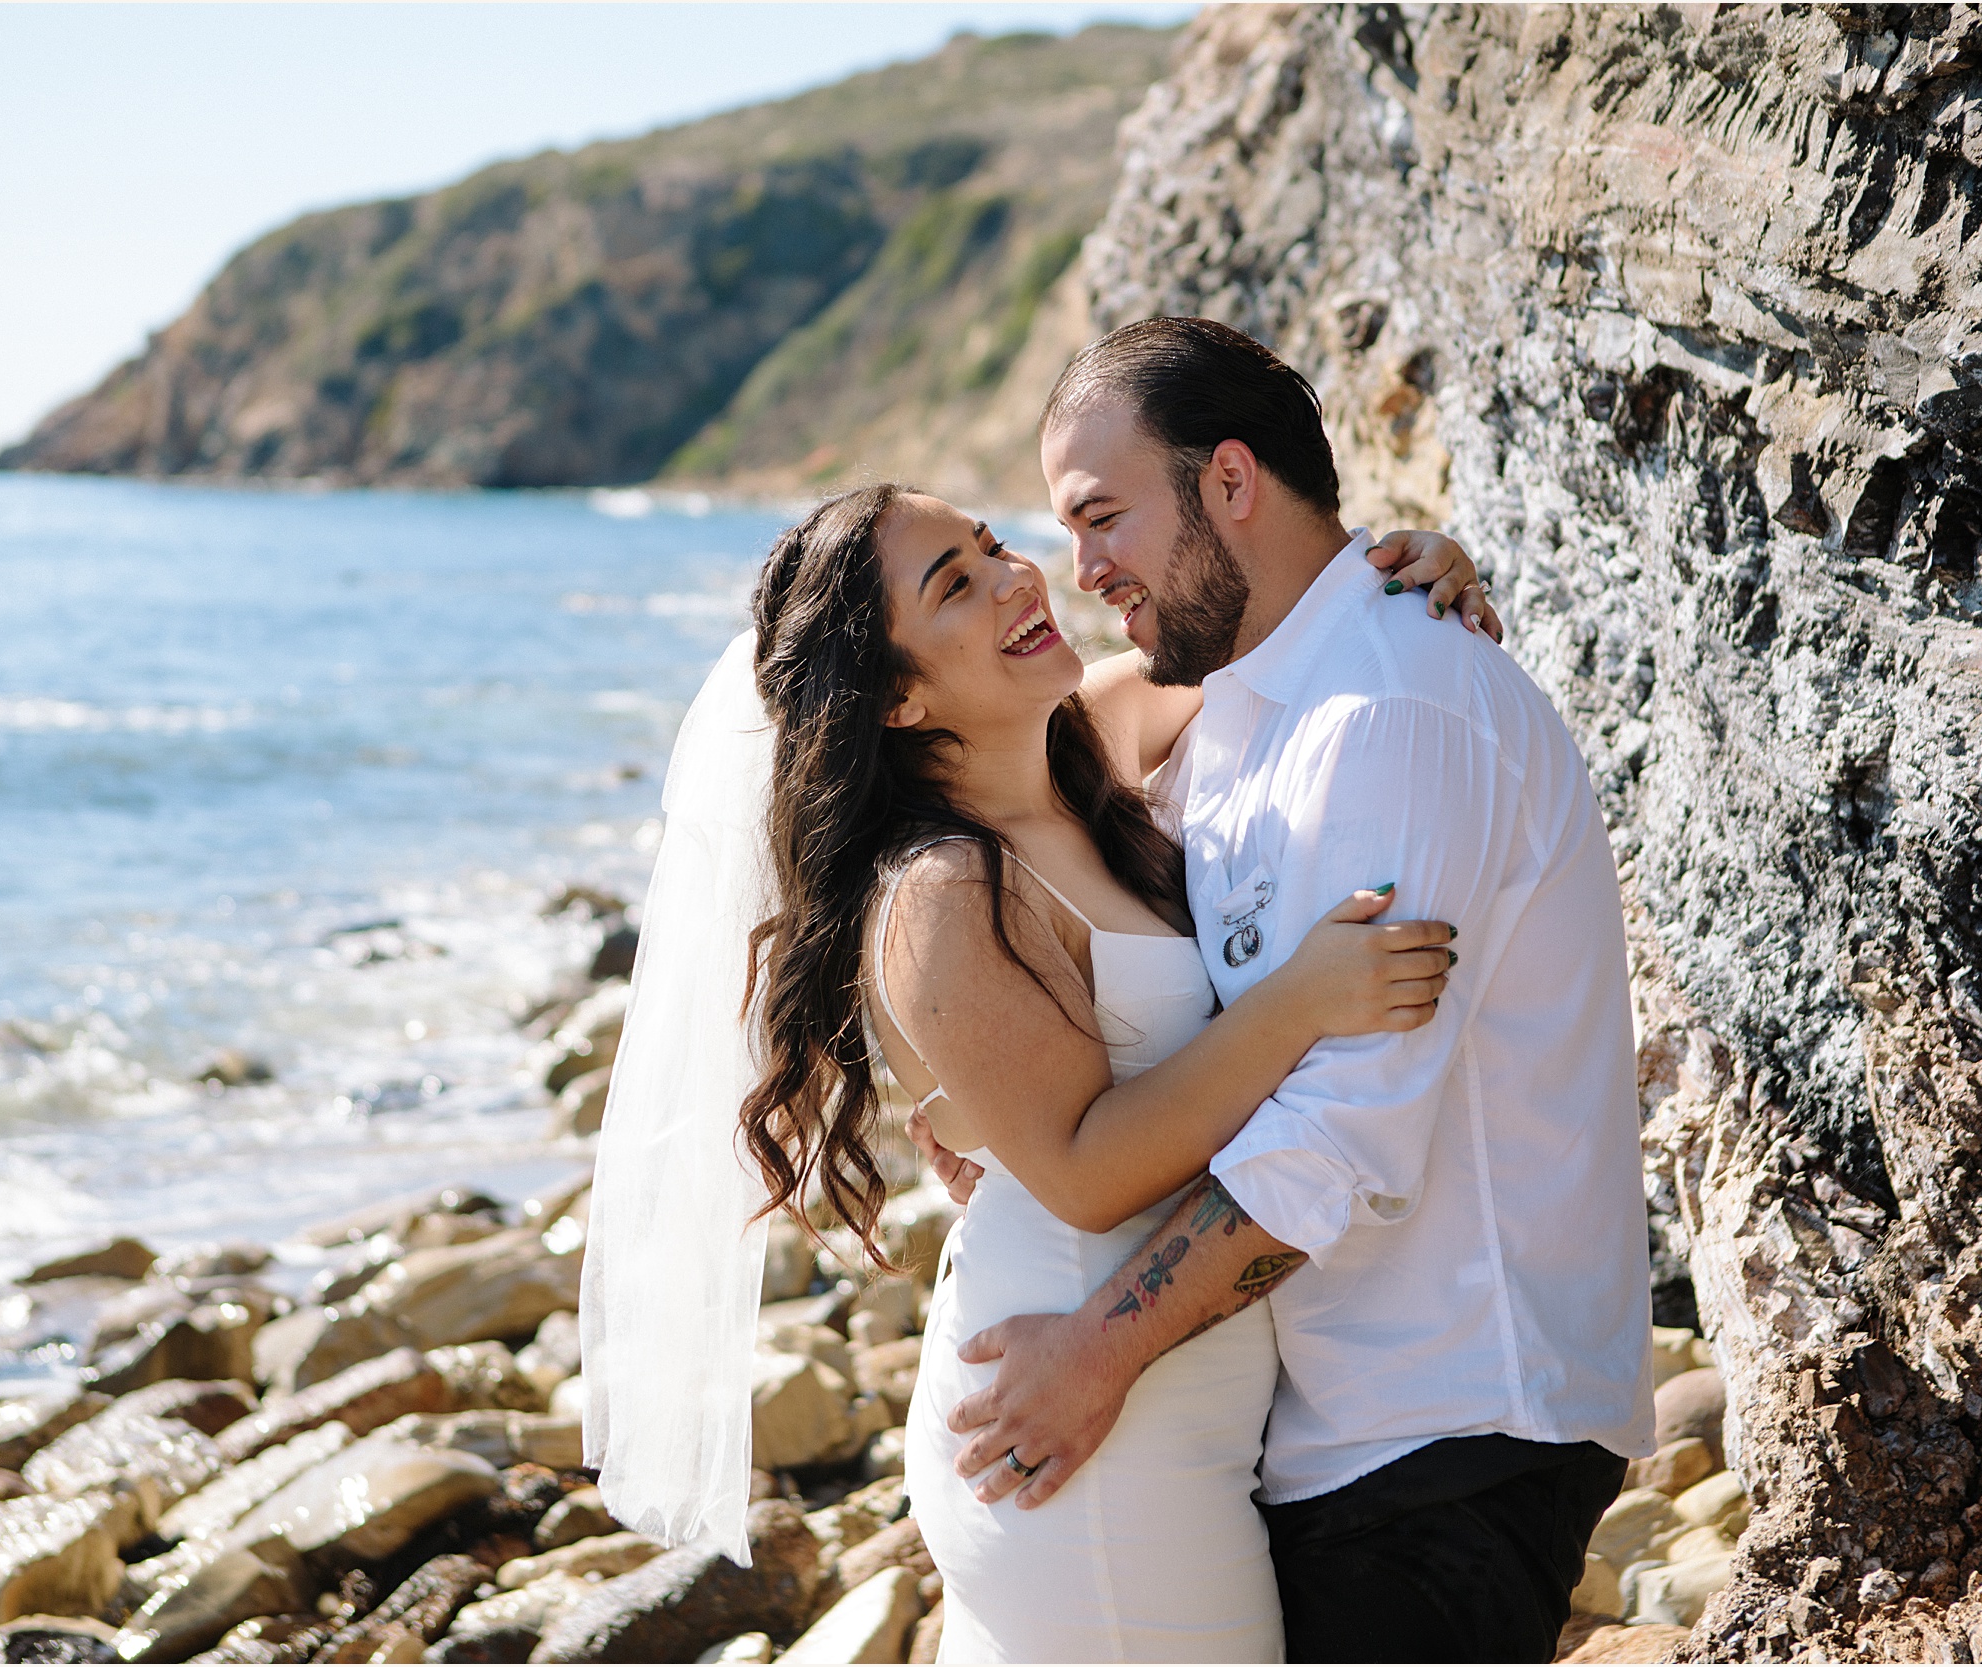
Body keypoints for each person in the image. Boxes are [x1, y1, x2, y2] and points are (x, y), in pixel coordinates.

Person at [580, 478, 1501, 1660]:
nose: (1018, 575)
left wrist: (1408, 573)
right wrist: (1299, 1002)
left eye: (988, 543)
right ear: (899, 698)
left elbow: (1285, 642)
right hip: (1080, 1429)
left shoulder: (1088, 755)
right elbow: (1082, 1169)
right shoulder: (939, 893)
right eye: (953, 583)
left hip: (1172, 1405)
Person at [928, 317, 1657, 1664]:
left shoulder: (1390, 709)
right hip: (1317, 1425)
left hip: (1449, 1419)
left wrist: (1098, 1347)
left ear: (1229, 481)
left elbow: (1343, 1134)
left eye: (1102, 517)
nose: (1079, 573)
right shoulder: (1238, 708)